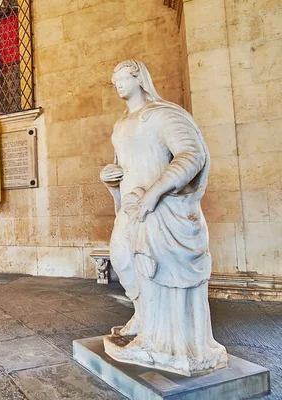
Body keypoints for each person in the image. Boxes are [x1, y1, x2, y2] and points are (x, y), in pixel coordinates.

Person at [100, 59, 228, 376]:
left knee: (150, 264)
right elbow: (126, 166)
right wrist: (110, 178)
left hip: (160, 210)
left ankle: (156, 339)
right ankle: (143, 318)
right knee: (122, 256)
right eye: (113, 78)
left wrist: (154, 193)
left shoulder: (162, 116)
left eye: (122, 77)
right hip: (131, 206)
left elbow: (192, 154)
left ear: (139, 78)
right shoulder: (121, 125)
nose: (116, 82)